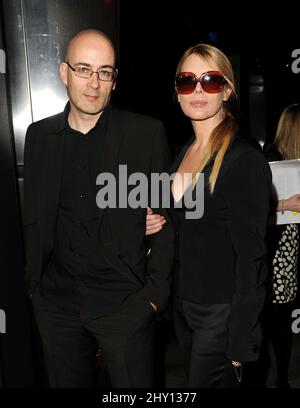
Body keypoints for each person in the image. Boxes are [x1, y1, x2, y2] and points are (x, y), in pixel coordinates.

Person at [22, 29, 174, 388]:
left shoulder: (145, 135)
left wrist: (152, 299)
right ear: (64, 73)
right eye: (83, 69)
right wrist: (35, 289)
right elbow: (34, 219)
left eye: (105, 72)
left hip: (123, 304)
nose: (94, 83)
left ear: (114, 80)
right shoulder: (38, 137)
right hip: (56, 305)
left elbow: (167, 222)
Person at [146, 43, 272, 387]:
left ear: (227, 90)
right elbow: (183, 220)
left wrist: (241, 339)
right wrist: (153, 220)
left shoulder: (243, 159)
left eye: (211, 80)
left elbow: (253, 258)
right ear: (177, 92)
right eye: (187, 81)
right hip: (185, 307)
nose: (198, 89)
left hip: (223, 314)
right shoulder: (183, 151)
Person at [255, 103, 300, 388]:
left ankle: (283, 374)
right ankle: (278, 377)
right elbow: (252, 206)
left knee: (283, 318)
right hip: (277, 248)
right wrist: (286, 203)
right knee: (277, 319)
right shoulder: (267, 159)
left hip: (292, 248)